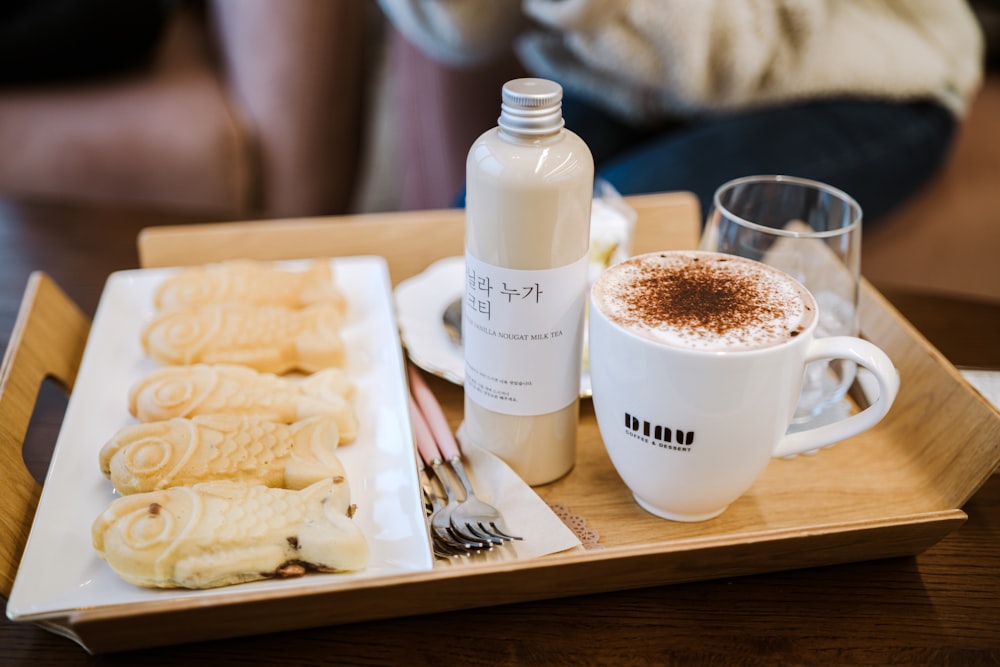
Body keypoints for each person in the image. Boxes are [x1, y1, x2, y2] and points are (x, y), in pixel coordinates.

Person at [377, 0, 984, 225]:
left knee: (606, 234)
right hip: (633, 79)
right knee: (475, 228)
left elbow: (735, 59)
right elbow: (460, 31)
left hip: (869, 79)